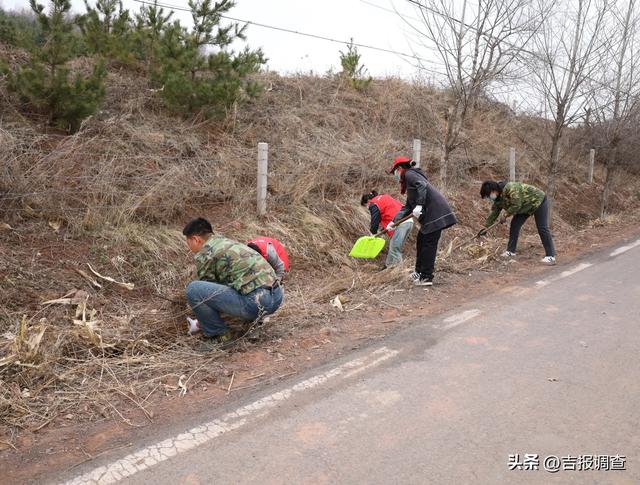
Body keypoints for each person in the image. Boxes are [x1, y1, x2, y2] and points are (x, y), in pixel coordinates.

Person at [182, 218, 284, 347]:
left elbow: (208, 298)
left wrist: (201, 321)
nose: (188, 246)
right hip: (277, 296)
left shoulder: (206, 253)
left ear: (196, 239)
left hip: (256, 303)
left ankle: (219, 336)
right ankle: (252, 322)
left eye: (188, 242)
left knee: (194, 289)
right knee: (236, 285)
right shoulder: (226, 242)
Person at [387, 157, 458, 286]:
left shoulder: (410, 174)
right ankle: (419, 272)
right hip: (431, 214)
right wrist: (393, 222)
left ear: (399, 169)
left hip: (435, 212)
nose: (396, 175)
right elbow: (408, 206)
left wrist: (419, 205)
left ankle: (426, 277)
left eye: (395, 171)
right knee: (421, 241)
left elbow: (422, 185)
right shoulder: (410, 182)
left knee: (428, 244)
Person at [480, 180, 556, 264]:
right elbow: (494, 212)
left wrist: (505, 215)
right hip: (524, 207)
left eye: (488, 195)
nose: (489, 197)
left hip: (538, 201)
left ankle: (550, 255)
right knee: (515, 225)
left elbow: (516, 205)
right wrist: (485, 227)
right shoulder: (498, 199)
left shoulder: (511, 188)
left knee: (542, 228)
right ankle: (511, 251)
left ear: (494, 190)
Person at [360, 190, 414, 267]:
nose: (368, 208)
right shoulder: (384, 197)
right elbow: (389, 213)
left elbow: (375, 220)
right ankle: (388, 266)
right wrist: (382, 230)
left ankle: (400, 270)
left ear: (368, 201)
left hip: (401, 223)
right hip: (408, 222)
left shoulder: (374, 203)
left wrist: (373, 233)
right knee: (394, 246)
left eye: (366, 206)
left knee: (394, 249)